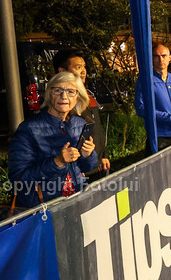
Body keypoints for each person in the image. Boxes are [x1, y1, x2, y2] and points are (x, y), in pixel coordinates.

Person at [8, 71, 96, 208]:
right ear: (49, 94)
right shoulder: (29, 129)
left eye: (70, 91)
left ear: (78, 97)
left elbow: (88, 167)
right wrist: (57, 162)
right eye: (58, 90)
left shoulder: (79, 124)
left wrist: (88, 155)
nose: (64, 96)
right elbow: (18, 180)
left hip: (78, 202)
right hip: (45, 209)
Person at [53, 48, 110, 179]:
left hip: (96, 164)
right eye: (78, 67)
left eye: (84, 67)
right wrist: (77, 168)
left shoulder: (88, 94)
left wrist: (103, 155)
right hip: (80, 171)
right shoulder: (60, 101)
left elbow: (96, 129)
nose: (84, 71)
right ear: (62, 71)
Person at [135, 44, 171, 151]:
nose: (160, 59)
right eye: (156, 56)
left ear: (170, 57)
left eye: (163, 56)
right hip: (158, 136)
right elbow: (141, 109)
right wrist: (170, 118)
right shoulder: (145, 81)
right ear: (151, 58)